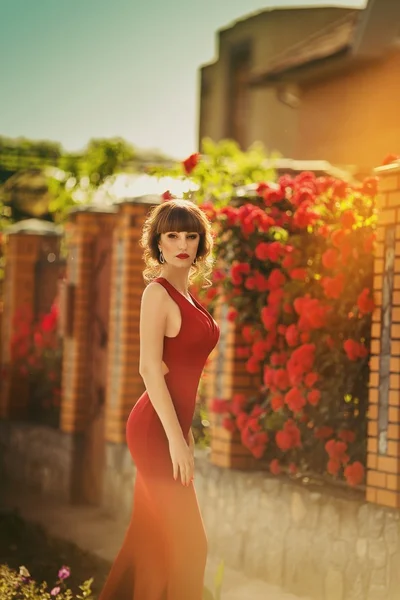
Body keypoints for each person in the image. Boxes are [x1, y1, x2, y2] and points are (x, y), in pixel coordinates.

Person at [99, 198, 220, 600]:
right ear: (158, 242)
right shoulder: (158, 294)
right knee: (191, 546)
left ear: (201, 242)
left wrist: (184, 435)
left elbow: (181, 370)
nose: (182, 243)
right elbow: (150, 369)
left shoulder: (189, 298)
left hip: (171, 428)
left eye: (191, 235)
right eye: (172, 235)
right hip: (154, 430)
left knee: (151, 542)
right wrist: (173, 439)